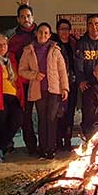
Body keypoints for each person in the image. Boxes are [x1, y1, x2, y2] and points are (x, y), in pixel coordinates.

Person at [19, 23, 69, 159]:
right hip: (38, 90)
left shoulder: (55, 50)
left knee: (51, 118)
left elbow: (62, 71)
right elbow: (21, 70)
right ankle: (43, 148)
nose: (43, 35)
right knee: (42, 119)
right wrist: (34, 75)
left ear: (50, 35)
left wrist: (65, 88)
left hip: (54, 90)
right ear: (36, 33)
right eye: (40, 32)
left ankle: (51, 149)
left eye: (46, 33)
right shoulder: (28, 50)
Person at [6, 4, 38, 154]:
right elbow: (10, 59)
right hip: (23, 82)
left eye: (28, 16)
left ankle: (48, 145)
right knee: (25, 116)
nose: (26, 19)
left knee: (46, 114)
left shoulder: (41, 33)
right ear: (18, 19)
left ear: (33, 17)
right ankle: (31, 146)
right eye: (23, 17)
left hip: (41, 81)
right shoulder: (13, 38)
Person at [54, 18, 77, 151]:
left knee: (70, 113)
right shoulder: (54, 45)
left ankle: (68, 139)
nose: (64, 32)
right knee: (59, 113)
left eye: (66, 29)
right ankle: (58, 140)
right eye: (61, 29)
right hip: (58, 84)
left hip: (72, 83)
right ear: (57, 31)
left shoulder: (74, 44)